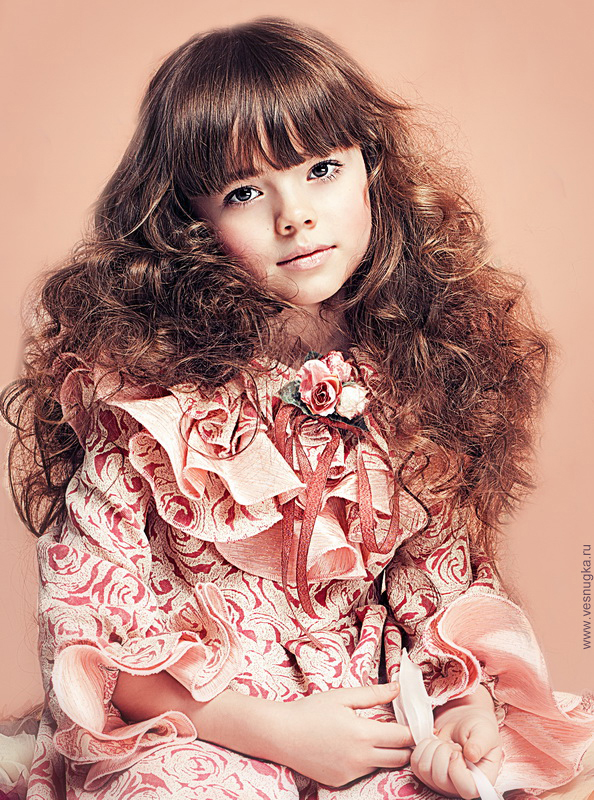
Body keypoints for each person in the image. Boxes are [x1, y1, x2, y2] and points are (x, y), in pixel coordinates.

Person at [2, 16, 593, 800]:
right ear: (190, 222)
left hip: (368, 716)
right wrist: (274, 732)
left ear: (370, 168)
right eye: (245, 192)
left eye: (321, 169)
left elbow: (440, 583)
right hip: (208, 723)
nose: (295, 215)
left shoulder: (411, 365)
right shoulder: (148, 393)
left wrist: (465, 710)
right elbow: (91, 629)